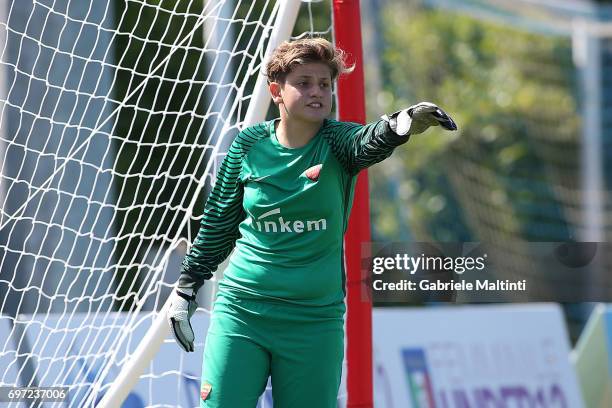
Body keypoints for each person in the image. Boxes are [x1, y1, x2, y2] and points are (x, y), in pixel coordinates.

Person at [166, 37, 457, 407]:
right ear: (276, 91)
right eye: (303, 83)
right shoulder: (247, 145)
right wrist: (187, 287)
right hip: (243, 312)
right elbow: (219, 222)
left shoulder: (338, 142)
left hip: (314, 321)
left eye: (324, 84)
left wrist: (402, 125)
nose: (317, 92)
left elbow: (368, 141)